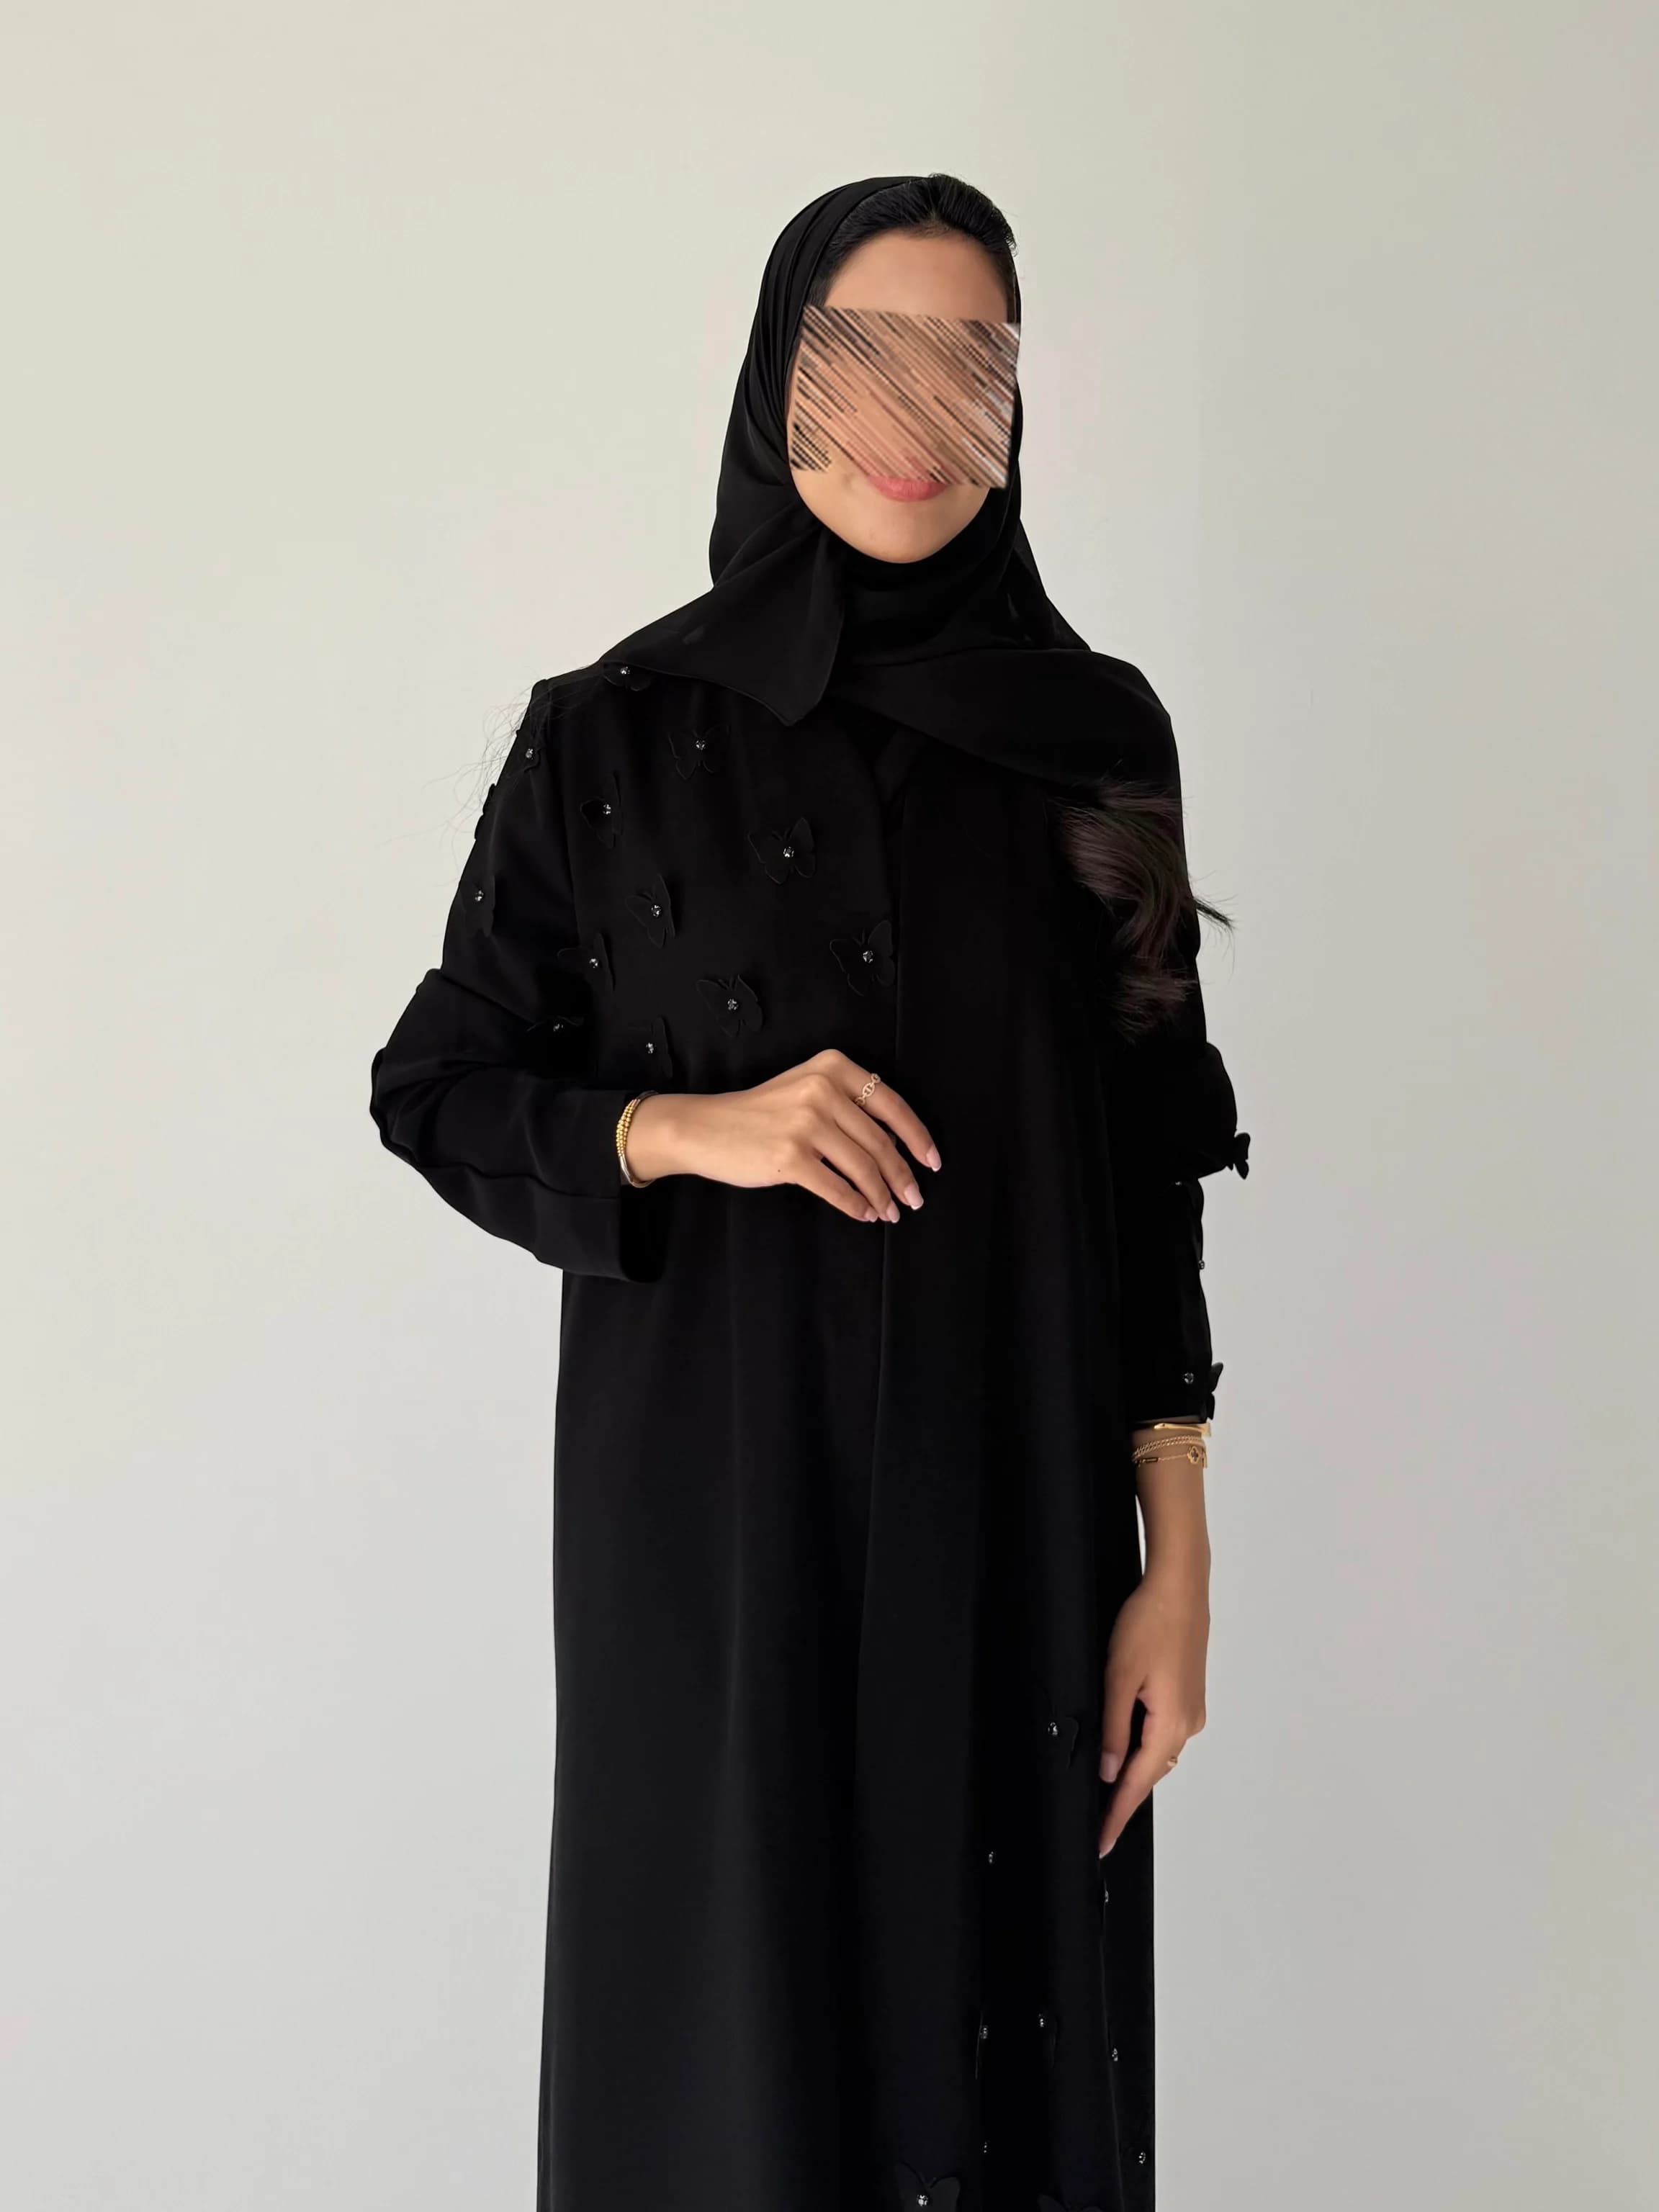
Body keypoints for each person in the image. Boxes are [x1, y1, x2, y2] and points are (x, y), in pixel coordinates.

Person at [368, 171, 1250, 2212]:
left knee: (992, 2056)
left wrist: (1178, 1557)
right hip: (715, 1532)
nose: (916, 415)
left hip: (1017, 1518)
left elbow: (1156, 1158)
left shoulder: (1094, 741)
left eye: (972, 362)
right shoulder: (612, 735)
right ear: (780, 380)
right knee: (724, 2069)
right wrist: (696, 1127)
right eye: (863, 357)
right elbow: (441, 1088)